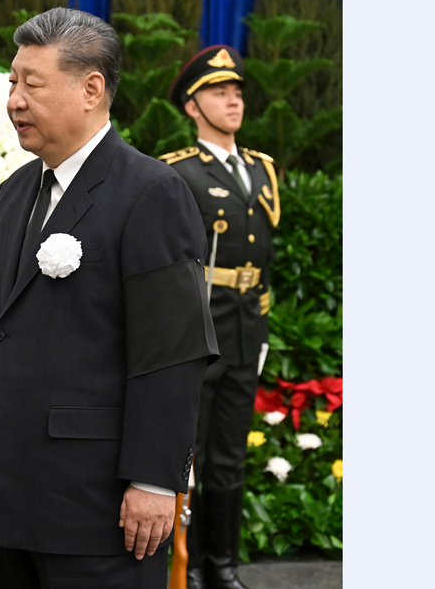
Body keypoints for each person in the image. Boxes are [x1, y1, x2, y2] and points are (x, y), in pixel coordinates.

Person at [0, 7, 218, 589]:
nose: (13, 99)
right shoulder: (16, 191)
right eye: (13, 82)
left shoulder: (152, 193)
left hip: (95, 507)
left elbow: (172, 350)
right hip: (6, 503)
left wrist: (153, 479)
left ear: (91, 88)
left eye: (30, 84)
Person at [161, 45, 280, 589]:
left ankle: (222, 566)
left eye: (235, 92)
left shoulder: (262, 170)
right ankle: (178, 564)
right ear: (192, 107)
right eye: (217, 92)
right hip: (198, 330)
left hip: (246, 327)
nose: (232, 100)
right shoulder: (177, 174)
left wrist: (262, 326)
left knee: (229, 456)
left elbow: (266, 257)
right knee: (188, 455)